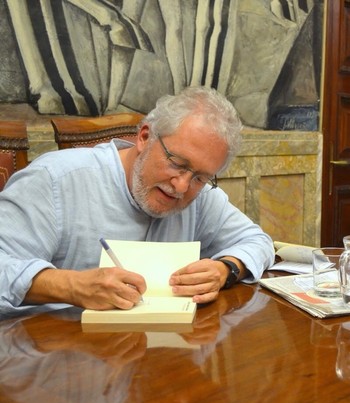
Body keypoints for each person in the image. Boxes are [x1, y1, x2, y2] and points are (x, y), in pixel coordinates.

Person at [0, 86, 274, 313]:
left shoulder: (200, 196)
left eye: (201, 177)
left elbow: (258, 242)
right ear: (144, 137)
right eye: (177, 163)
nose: (181, 186)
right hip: (53, 357)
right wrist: (71, 286)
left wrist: (226, 269)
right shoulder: (55, 179)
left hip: (163, 358)